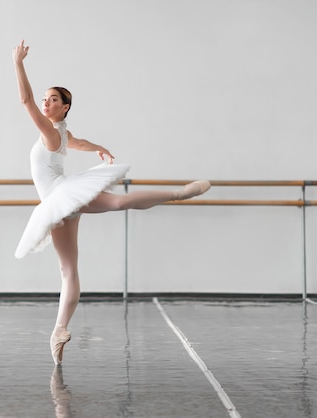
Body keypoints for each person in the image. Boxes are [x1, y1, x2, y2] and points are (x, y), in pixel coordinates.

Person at [12, 40, 210, 365]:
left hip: (59, 197)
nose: (45, 103)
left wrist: (18, 63)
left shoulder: (50, 133)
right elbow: (77, 142)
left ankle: (60, 328)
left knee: (69, 269)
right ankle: (179, 193)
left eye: (52, 100)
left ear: (64, 108)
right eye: (45, 99)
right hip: (64, 198)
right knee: (112, 214)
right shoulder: (60, 133)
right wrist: (99, 147)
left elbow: (24, 99)